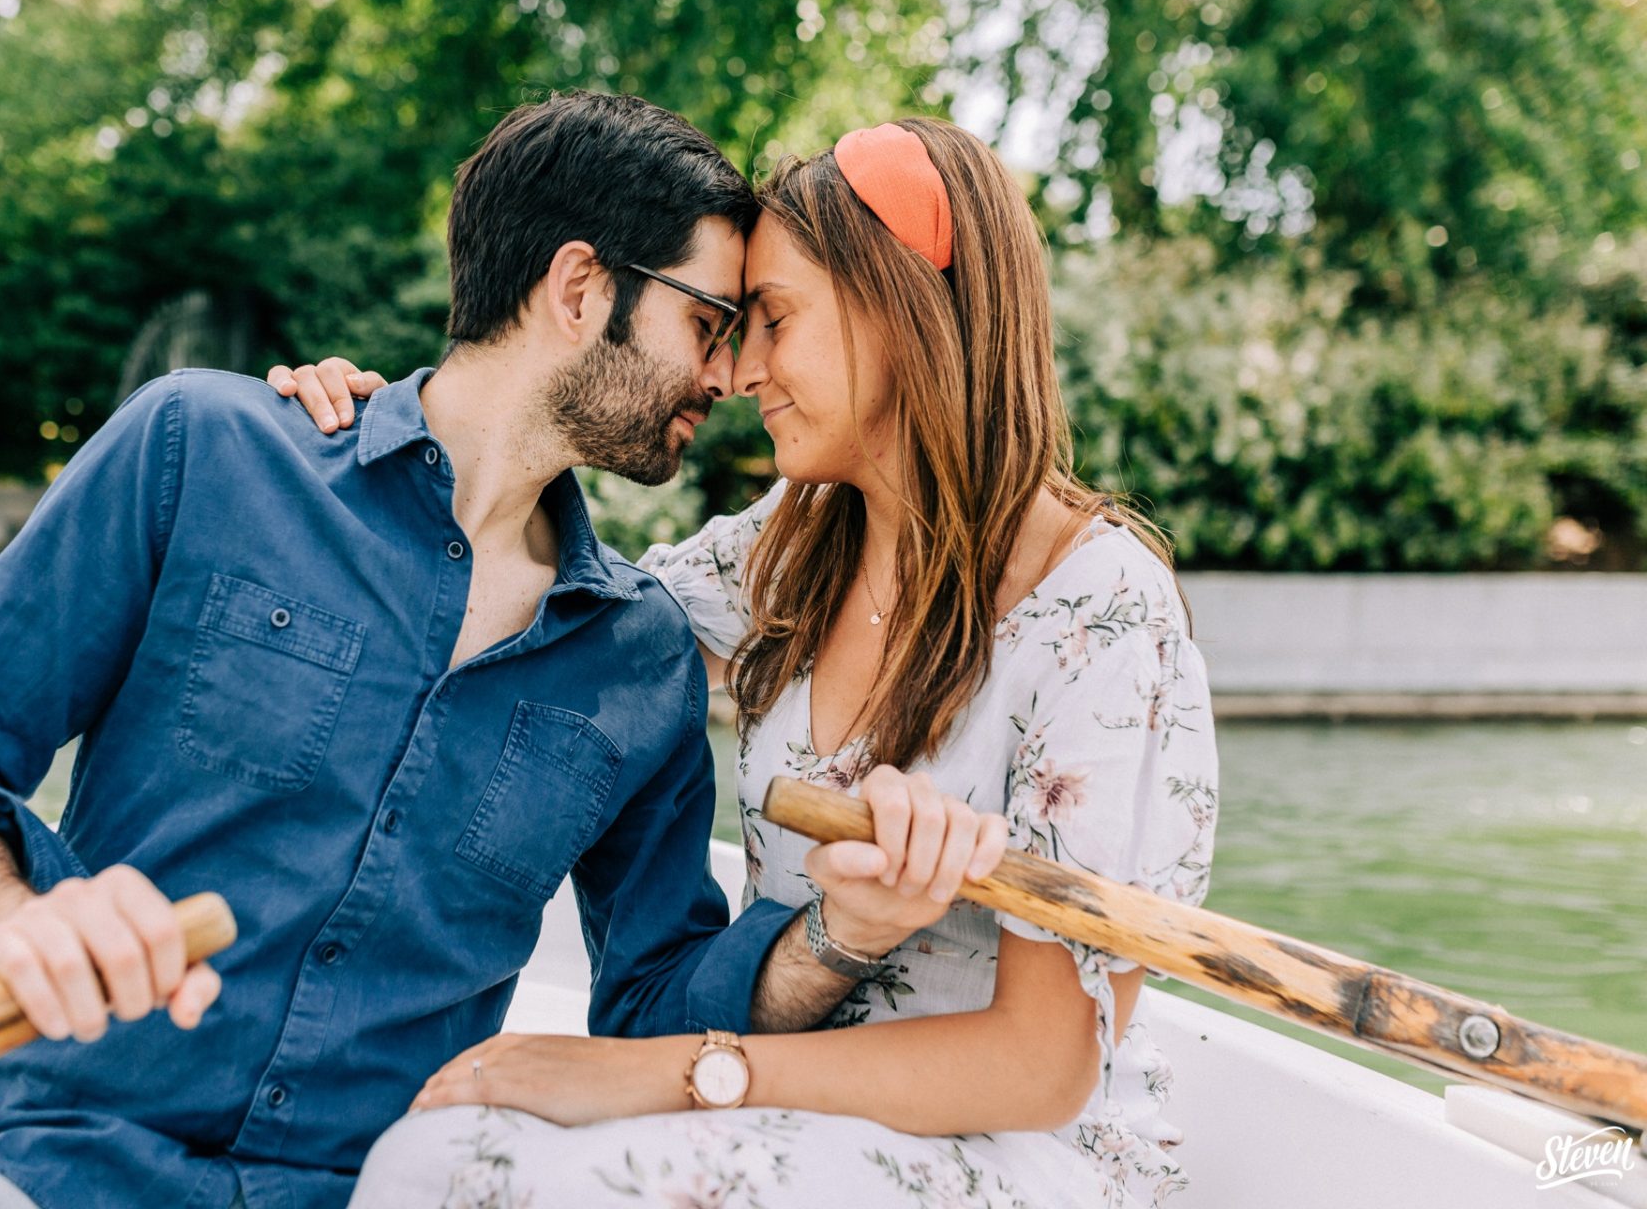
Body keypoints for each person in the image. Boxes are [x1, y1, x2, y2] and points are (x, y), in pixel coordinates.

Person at [0, 92, 1001, 1209]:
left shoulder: (639, 658)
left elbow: (652, 1010)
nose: (729, 375)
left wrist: (849, 930)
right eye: (708, 322)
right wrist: (6, 928)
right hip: (49, 1166)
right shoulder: (206, 450)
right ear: (581, 287)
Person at [270, 118, 1220, 1207]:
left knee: (477, 1170)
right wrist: (380, 447)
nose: (737, 370)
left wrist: (666, 1072)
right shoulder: (795, 541)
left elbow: (1041, 1063)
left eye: (772, 319)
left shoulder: (1101, 608)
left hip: (1008, 1147)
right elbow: (544, 609)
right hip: (784, 1107)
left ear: (903, 313)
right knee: (435, 1150)